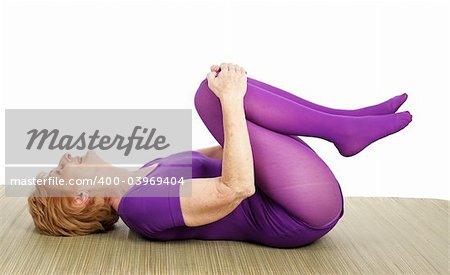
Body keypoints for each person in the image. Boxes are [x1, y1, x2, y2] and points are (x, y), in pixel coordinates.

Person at [28, 63, 412, 248]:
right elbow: (237, 186)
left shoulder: (147, 172)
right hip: (297, 212)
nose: (63, 158)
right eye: (59, 173)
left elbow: (224, 149)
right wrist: (230, 99)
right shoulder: (140, 208)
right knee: (211, 95)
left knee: (214, 93)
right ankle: (344, 128)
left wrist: (239, 107)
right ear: (80, 200)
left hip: (291, 189)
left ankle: (344, 122)